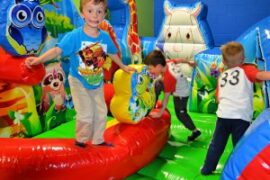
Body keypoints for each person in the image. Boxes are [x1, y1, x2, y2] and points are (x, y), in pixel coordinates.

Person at [26, 0, 135, 148]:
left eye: (99, 11)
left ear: (104, 14)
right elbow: (57, 50)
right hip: (78, 81)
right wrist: (38, 60)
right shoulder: (75, 36)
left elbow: (112, 52)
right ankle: (81, 141)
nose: (94, 15)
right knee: (85, 114)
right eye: (90, 11)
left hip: (96, 81)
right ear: (83, 13)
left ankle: (98, 140)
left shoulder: (104, 37)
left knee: (101, 112)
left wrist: (123, 66)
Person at [201, 41, 270, 175]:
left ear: (224, 62)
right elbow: (261, 76)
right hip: (240, 118)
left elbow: (218, 98)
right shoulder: (246, 70)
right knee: (240, 147)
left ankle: (207, 168)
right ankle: (239, 172)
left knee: (216, 145)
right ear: (243, 59)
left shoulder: (222, 76)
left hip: (223, 116)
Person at [144, 50, 201, 141]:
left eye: (150, 69)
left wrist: (160, 113)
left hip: (181, 94)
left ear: (158, 66)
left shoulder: (169, 77)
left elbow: (166, 98)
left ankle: (195, 130)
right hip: (176, 85)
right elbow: (179, 60)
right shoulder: (167, 62)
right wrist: (189, 63)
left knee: (180, 114)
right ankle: (152, 105)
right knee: (158, 83)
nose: (150, 71)